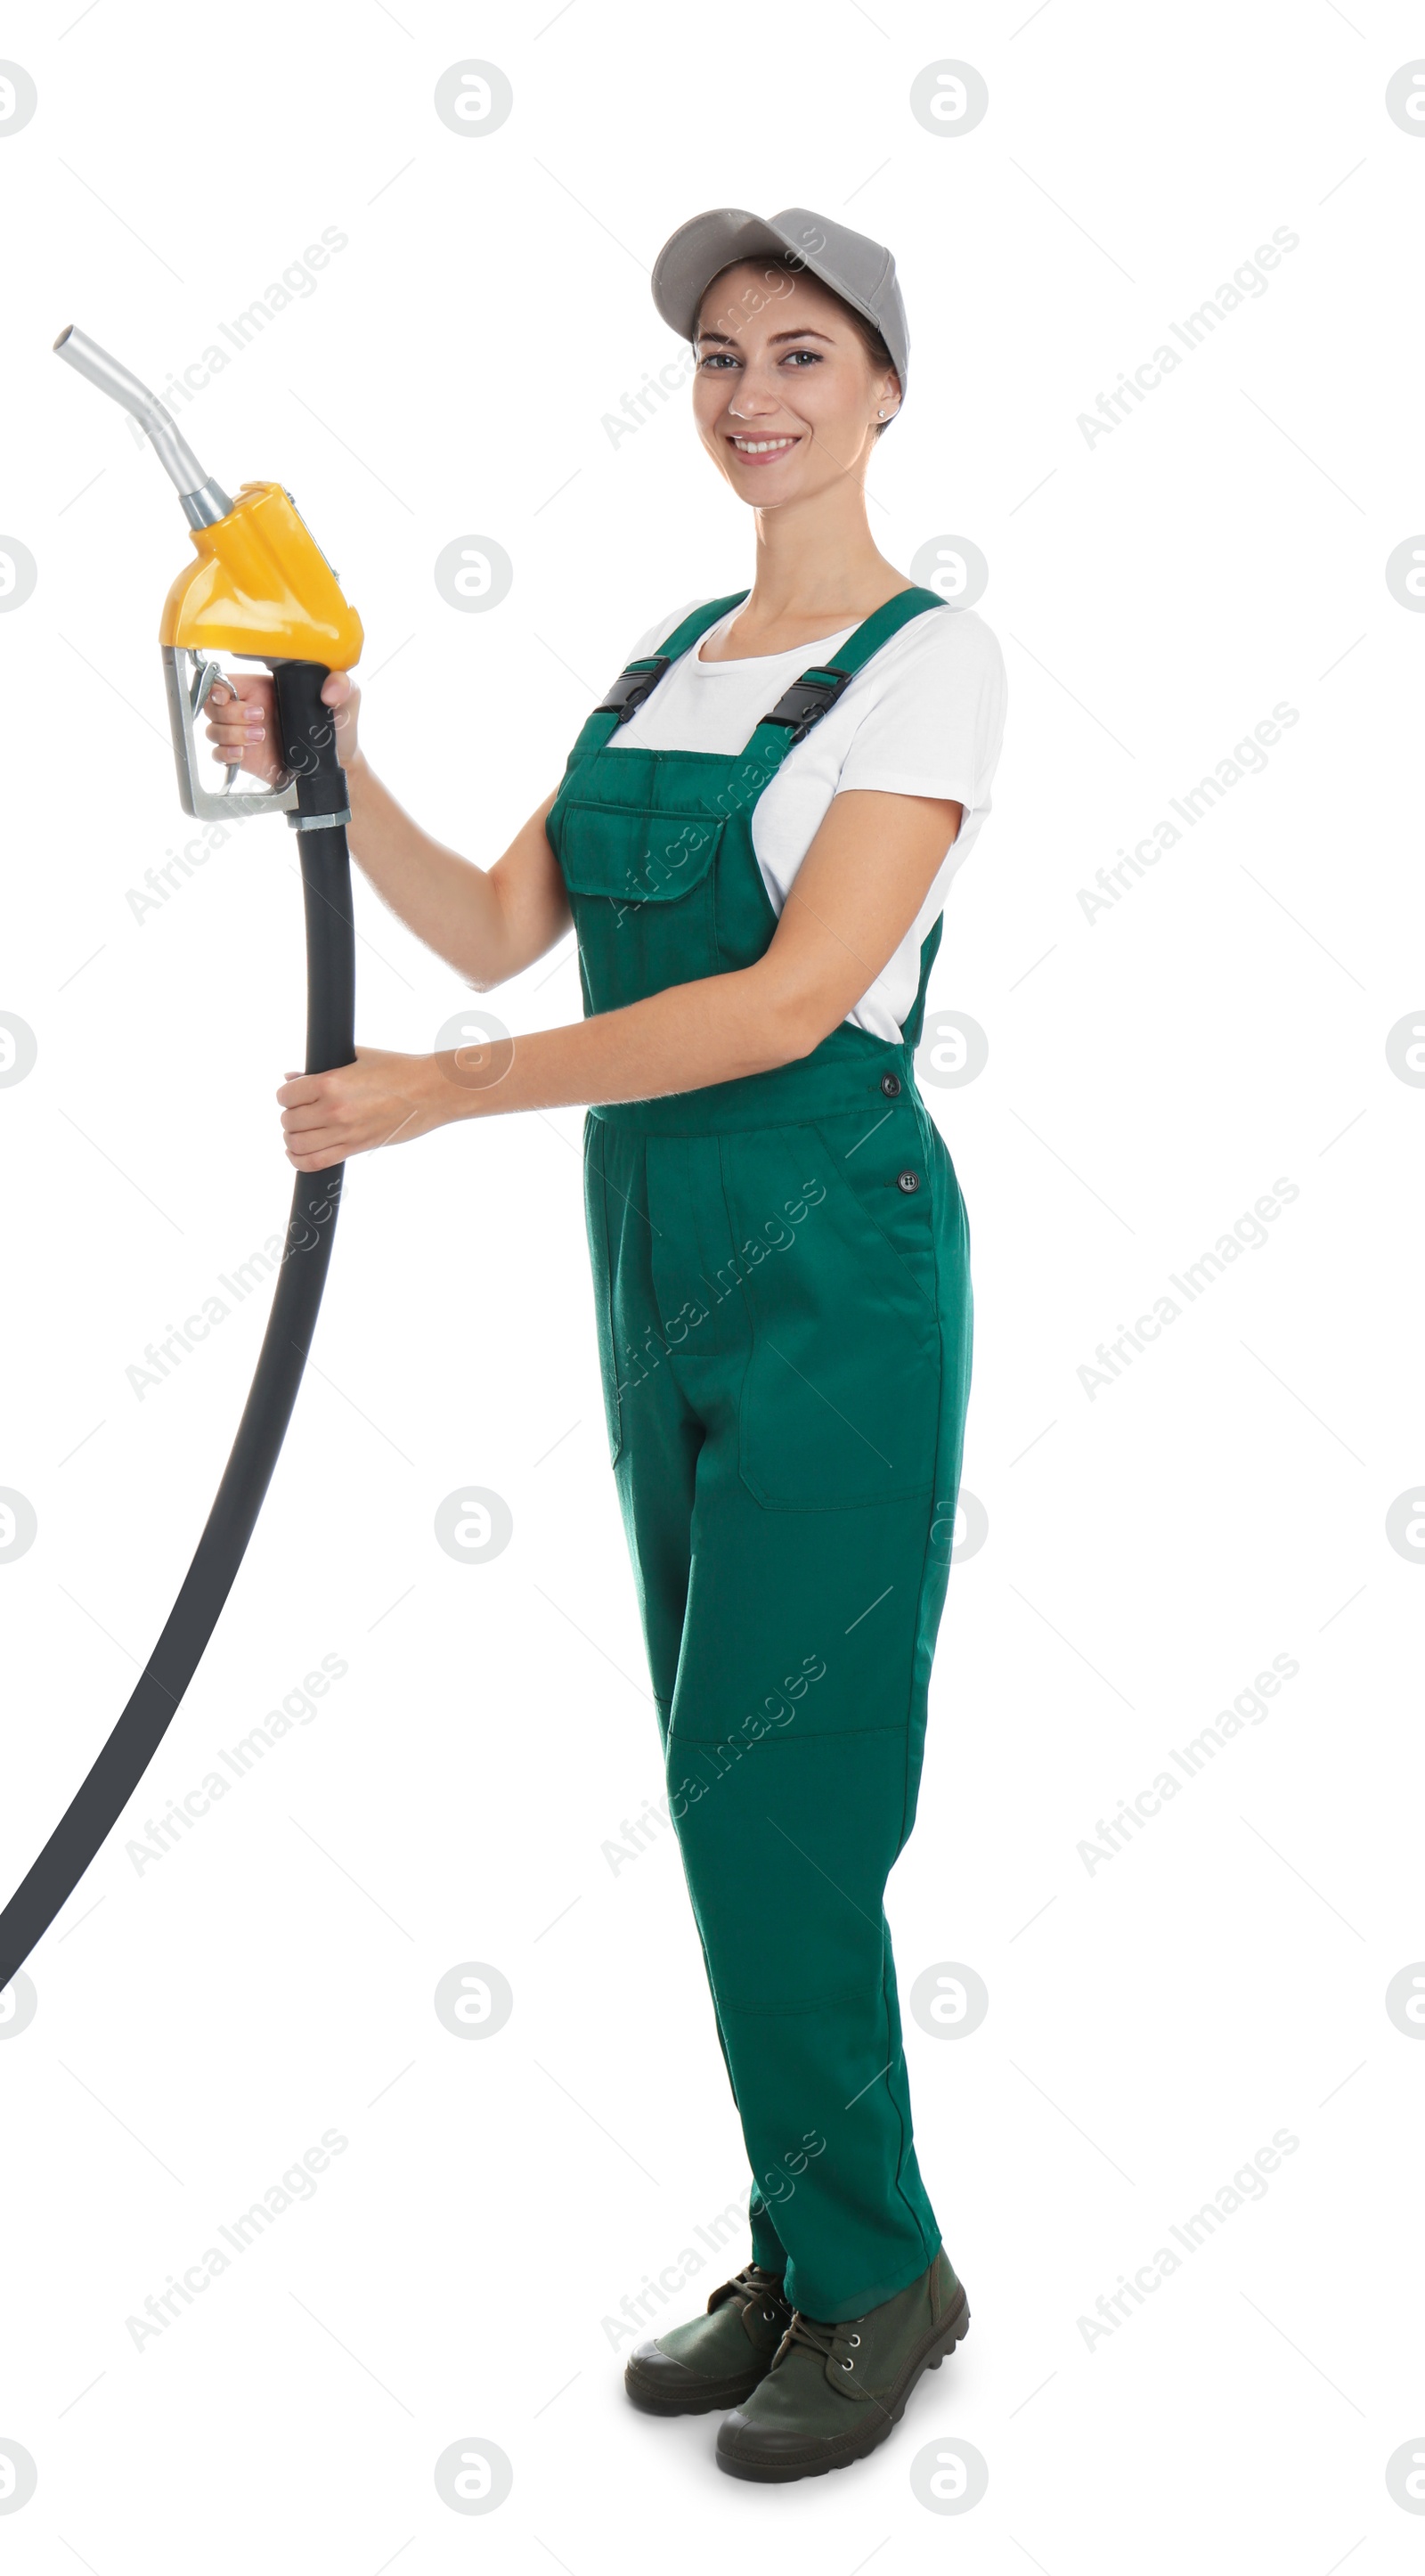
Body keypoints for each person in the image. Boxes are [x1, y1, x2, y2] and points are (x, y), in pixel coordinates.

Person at [204, 204, 1007, 2484]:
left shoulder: (926, 661)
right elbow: (497, 920)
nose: (753, 394)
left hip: (833, 1261)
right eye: (721, 358)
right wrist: (327, 771)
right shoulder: (668, 659)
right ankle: (810, 2226)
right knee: (708, 1781)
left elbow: (769, 1001)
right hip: (649, 1242)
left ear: (880, 389)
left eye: (801, 356)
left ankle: (876, 2278)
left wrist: (441, 1094)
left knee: (789, 1790)